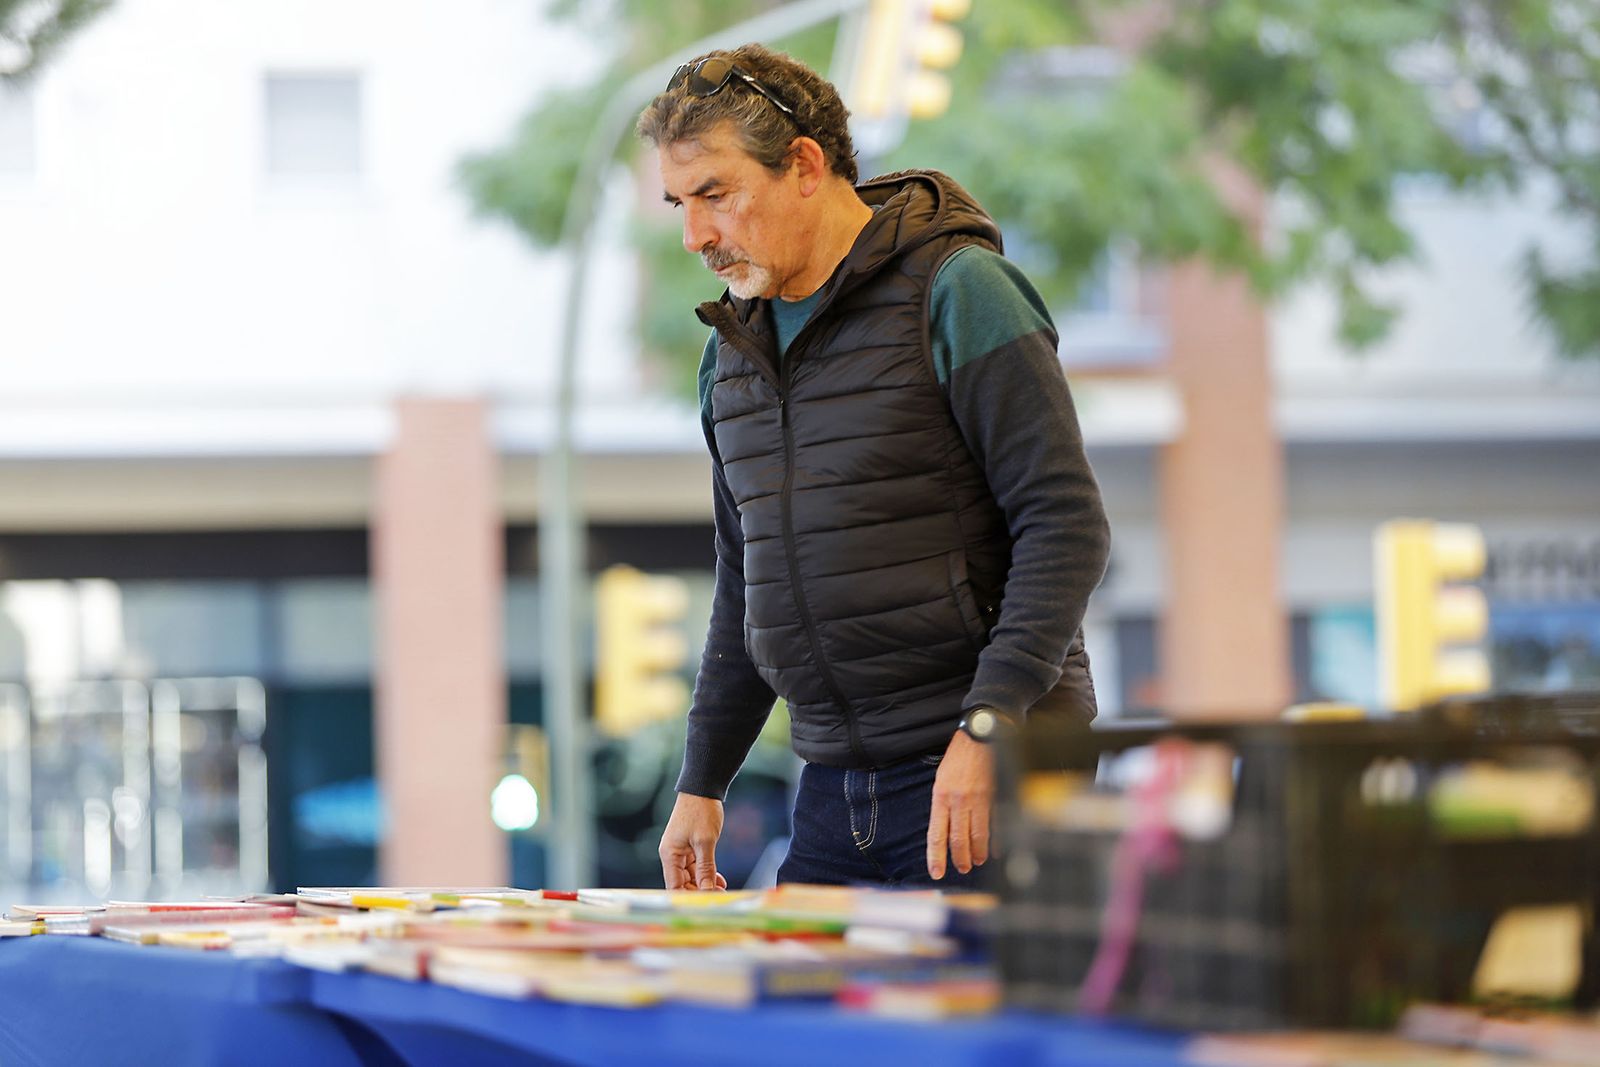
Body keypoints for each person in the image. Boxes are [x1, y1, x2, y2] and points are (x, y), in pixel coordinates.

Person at [636, 43, 1110, 890]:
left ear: (806, 166)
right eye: (679, 202)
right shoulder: (731, 356)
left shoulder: (961, 291)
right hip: (831, 788)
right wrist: (702, 779)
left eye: (715, 194)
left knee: (963, 1022)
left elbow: (1066, 525)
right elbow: (747, 577)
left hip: (988, 769)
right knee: (799, 1017)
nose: (694, 233)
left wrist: (988, 726)